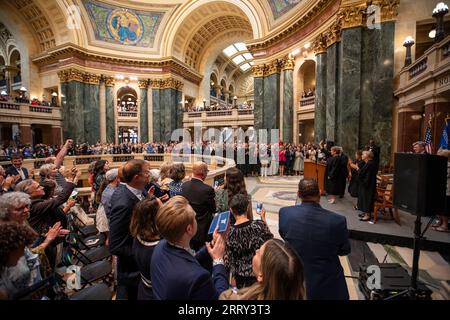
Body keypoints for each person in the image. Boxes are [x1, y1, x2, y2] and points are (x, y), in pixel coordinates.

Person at [279, 178, 350, 300]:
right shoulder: (337, 221)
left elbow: (284, 236)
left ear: (298, 194)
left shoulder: (285, 213)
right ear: (319, 194)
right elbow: (344, 250)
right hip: (327, 283)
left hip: (294, 279)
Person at [150, 196, 228, 300]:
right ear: (189, 229)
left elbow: (186, 261)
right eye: (194, 217)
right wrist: (218, 260)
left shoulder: (160, 247)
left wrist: (211, 244)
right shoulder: (199, 278)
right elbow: (221, 297)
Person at [109, 159, 150, 300]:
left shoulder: (140, 190)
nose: (149, 174)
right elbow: (116, 245)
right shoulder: (124, 204)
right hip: (132, 273)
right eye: (146, 172)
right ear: (136, 177)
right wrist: (145, 252)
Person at [220, 239, 305, 300]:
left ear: (261, 275)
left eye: (259, 253)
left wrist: (218, 261)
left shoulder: (231, 298)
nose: (256, 251)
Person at [224, 194, 273, 289]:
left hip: (240, 277)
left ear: (231, 210)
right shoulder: (259, 225)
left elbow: (228, 260)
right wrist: (263, 219)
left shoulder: (229, 233)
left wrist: (232, 277)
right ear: (247, 208)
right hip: (259, 273)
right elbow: (270, 241)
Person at [130, 196, 162, 300]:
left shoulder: (139, 236)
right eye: (163, 209)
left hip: (144, 289)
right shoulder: (159, 248)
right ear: (155, 218)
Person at [181, 162, 216, 251]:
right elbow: (213, 209)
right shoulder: (208, 189)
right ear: (203, 173)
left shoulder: (184, 185)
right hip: (202, 231)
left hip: (186, 227)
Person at [357, 151, 378, 222]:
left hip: (368, 185)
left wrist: (358, 169)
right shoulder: (368, 163)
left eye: (363, 154)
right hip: (366, 184)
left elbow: (367, 175)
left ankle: (367, 215)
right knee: (364, 198)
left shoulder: (370, 164)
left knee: (367, 199)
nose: (362, 155)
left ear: (367, 156)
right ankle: (365, 212)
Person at [433, 148, 450, 232]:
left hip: (447, 191)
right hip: (440, 190)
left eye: (440, 156)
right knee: (439, 207)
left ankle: (445, 225)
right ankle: (440, 222)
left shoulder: (448, 165)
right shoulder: (442, 165)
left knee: (445, 208)